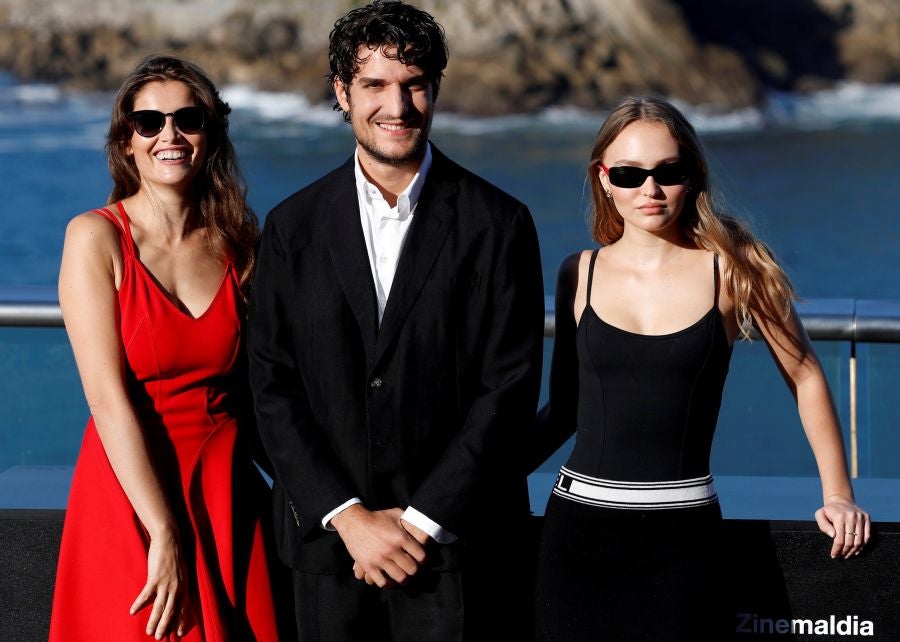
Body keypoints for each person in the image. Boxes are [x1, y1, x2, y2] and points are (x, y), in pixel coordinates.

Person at [247, 1, 545, 639]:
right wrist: (348, 516)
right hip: (329, 553)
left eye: (414, 84)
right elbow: (271, 384)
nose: (398, 105)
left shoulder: (500, 223)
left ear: (435, 87)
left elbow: (510, 390)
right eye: (375, 84)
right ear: (342, 93)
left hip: (456, 551)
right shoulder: (291, 227)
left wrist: (419, 522)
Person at [531, 96, 871, 641]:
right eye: (629, 173)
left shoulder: (734, 271)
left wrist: (838, 494)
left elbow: (805, 374)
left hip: (683, 538)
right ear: (603, 178)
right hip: (576, 535)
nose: (650, 189)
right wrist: (467, 488)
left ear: (693, 175)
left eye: (670, 172)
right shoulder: (579, 273)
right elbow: (564, 409)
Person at [49, 55, 287, 641]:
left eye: (188, 118)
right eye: (149, 122)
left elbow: (269, 384)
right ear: (126, 142)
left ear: (211, 133)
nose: (169, 135)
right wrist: (163, 530)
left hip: (227, 489)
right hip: (129, 492)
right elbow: (106, 399)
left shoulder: (242, 243)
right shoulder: (95, 237)